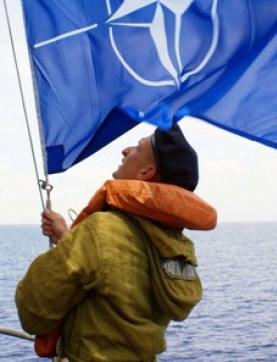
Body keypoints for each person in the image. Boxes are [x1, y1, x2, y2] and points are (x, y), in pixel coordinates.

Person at [15, 124, 216, 361]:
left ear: (146, 171)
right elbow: (119, 271)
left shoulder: (100, 231)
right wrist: (69, 239)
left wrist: (77, 242)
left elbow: (34, 310)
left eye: (138, 147)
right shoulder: (176, 245)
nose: (125, 150)